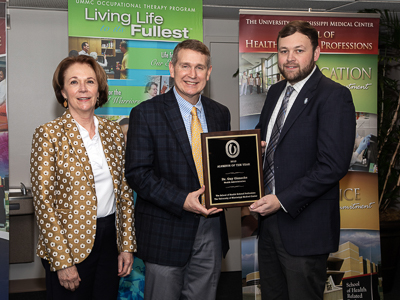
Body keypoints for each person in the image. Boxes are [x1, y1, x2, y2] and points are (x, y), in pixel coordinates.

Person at [249, 20, 355, 300]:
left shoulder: (334, 96)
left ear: (316, 53)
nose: (290, 58)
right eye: (283, 51)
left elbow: (332, 165)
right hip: (268, 222)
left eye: (299, 50)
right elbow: (268, 145)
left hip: (305, 226)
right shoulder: (274, 93)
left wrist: (281, 199)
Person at [125, 39, 230, 300]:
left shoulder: (220, 114)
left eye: (199, 67)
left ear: (209, 72)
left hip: (211, 228)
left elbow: (225, 167)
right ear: (172, 68)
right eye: (185, 66)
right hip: (165, 231)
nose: (192, 74)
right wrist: (182, 200)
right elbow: (138, 173)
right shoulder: (145, 113)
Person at [30, 55, 136, 299]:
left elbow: (124, 192)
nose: (83, 89)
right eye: (74, 82)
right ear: (63, 92)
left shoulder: (112, 132)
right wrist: (61, 261)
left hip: (110, 240)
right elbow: (44, 203)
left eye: (89, 81)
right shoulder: (49, 134)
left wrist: (127, 246)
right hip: (68, 244)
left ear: (98, 88)